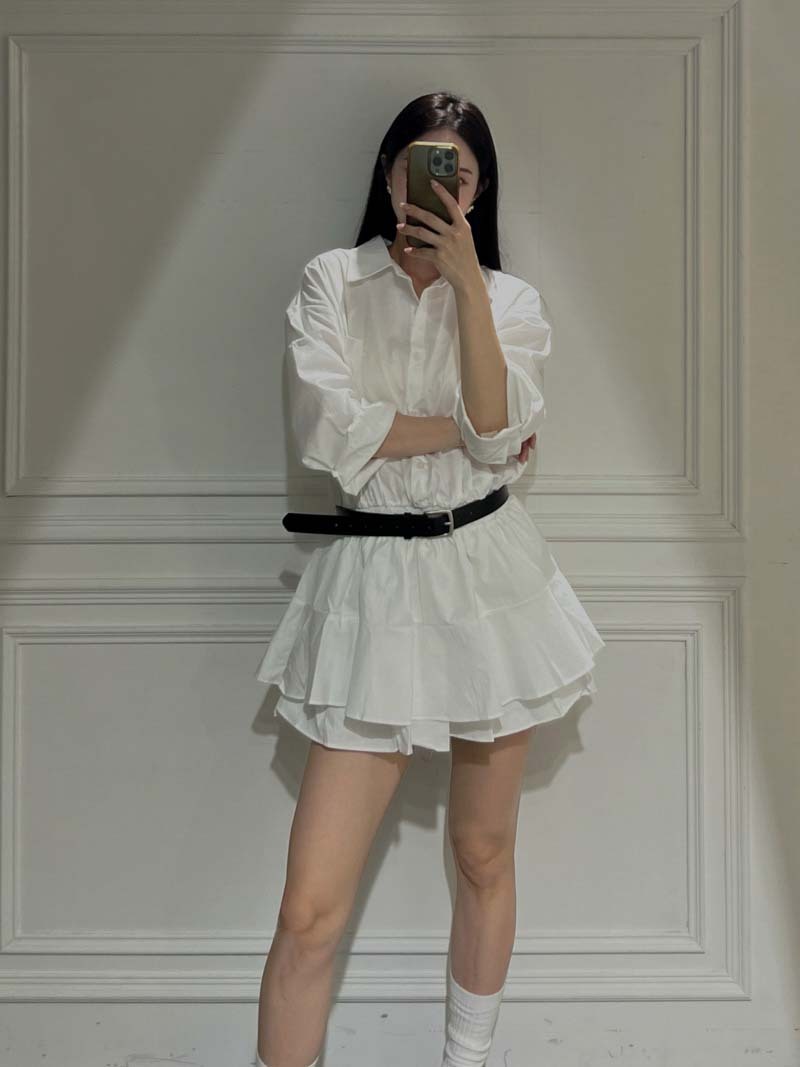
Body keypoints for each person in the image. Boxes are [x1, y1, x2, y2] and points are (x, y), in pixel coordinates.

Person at [254, 91, 605, 1067]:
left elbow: (498, 436)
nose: (438, 185)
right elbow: (330, 435)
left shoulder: (511, 301)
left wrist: (468, 293)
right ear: (387, 172)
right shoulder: (332, 281)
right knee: (308, 909)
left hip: (487, 576)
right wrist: (466, 432)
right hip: (370, 580)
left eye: (458, 171)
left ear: (479, 189)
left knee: (482, 853)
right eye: (420, 163)